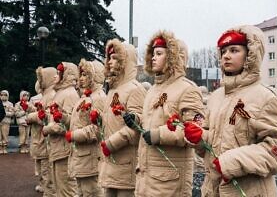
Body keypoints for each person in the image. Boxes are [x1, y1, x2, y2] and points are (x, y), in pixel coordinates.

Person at [184, 25, 277, 196]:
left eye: (234, 50)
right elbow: (215, 143)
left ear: (250, 54)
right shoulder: (216, 97)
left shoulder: (266, 97)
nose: (226, 56)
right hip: (212, 190)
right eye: (223, 51)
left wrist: (229, 162)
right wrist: (200, 138)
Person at [134, 31, 205, 197]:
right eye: (153, 53)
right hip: (146, 177)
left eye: (159, 53)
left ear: (172, 57)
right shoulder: (152, 90)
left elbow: (195, 132)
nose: (153, 57)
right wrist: (136, 121)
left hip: (170, 182)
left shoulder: (188, 90)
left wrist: (159, 135)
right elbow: (149, 124)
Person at [99, 38, 146, 197]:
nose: (110, 62)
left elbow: (137, 129)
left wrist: (111, 144)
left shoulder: (135, 89)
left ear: (125, 61)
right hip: (110, 162)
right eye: (109, 58)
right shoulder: (113, 90)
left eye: (115, 58)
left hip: (126, 164)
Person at [66, 58, 106, 197]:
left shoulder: (99, 98)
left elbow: (99, 129)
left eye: (85, 75)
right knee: (82, 192)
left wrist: (74, 135)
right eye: (81, 75)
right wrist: (63, 118)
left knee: (91, 192)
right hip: (81, 156)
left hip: (91, 158)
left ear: (94, 77)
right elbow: (76, 122)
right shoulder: (84, 98)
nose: (81, 79)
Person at [42, 62, 79, 196]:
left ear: (66, 75)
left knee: (66, 189)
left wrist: (48, 129)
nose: (55, 77)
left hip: (64, 149)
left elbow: (70, 123)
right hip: (58, 147)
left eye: (58, 73)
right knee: (59, 188)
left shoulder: (69, 94)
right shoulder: (61, 93)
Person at [26, 67, 57, 196]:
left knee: (46, 168)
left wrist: (31, 116)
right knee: (41, 165)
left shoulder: (51, 96)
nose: (40, 81)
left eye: (42, 78)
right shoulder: (46, 95)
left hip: (45, 138)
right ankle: (45, 186)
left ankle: (49, 190)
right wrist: (30, 109)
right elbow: (41, 113)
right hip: (39, 136)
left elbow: (46, 117)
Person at [0, 90, 12, 154]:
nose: (3, 96)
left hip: (6, 121)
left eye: (5, 95)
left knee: (5, 135)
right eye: (1, 95)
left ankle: (4, 147)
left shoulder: (10, 104)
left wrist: (4, 113)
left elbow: (12, 113)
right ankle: (0, 147)